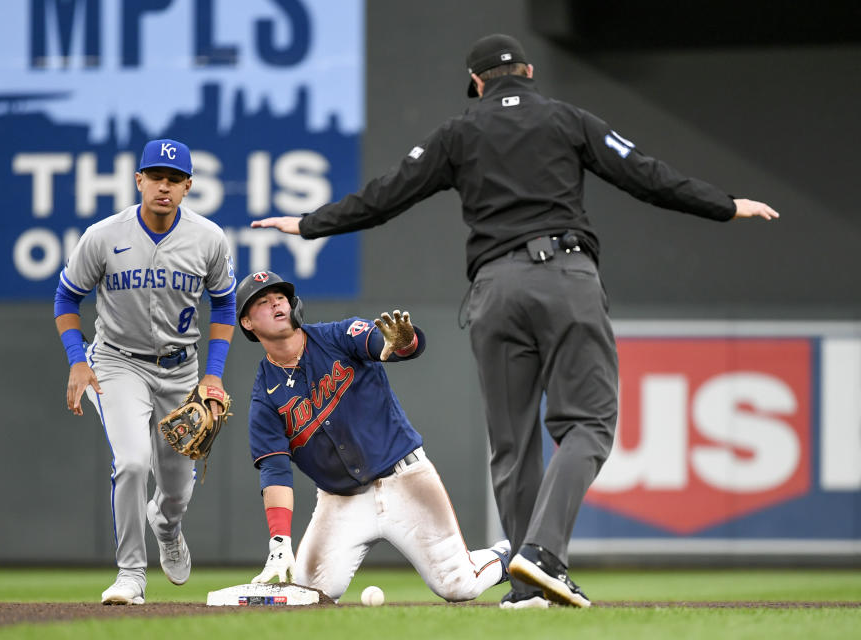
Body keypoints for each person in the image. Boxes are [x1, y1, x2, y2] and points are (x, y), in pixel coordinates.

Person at [248, 34, 780, 608]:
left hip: (493, 292)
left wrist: (309, 224)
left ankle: (527, 586)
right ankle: (543, 555)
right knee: (590, 423)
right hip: (564, 278)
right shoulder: (566, 119)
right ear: (527, 71)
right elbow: (643, 173)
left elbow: (385, 195)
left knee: (512, 443)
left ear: (476, 83)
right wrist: (723, 204)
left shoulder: (459, 132)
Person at [237, 270, 510, 603]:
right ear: (247, 323)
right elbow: (275, 470)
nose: (275, 304)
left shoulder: (337, 336)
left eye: (280, 297)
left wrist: (404, 342)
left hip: (405, 481)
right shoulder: (265, 396)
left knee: (458, 585)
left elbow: (385, 342)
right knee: (308, 597)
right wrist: (280, 543)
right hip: (341, 502)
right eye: (263, 302)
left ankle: (513, 556)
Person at [54, 138, 237, 605]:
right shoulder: (103, 235)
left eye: (174, 179)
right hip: (117, 362)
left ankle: (168, 526)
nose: (164, 185)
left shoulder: (209, 238)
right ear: (139, 180)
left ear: (188, 186)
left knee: (176, 491)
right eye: (156, 176)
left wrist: (212, 375)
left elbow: (225, 304)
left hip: (181, 369)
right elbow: (66, 298)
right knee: (133, 463)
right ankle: (131, 574)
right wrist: (78, 360)